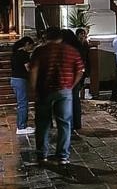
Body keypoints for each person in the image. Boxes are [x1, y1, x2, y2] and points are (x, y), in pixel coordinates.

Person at [30, 27, 84, 166]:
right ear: (61, 37)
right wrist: (71, 85)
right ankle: (63, 156)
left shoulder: (39, 50)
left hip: (44, 91)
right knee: (64, 124)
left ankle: (42, 155)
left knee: (43, 124)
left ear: (46, 36)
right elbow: (80, 70)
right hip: (65, 91)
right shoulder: (71, 51)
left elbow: (34, 70)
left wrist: (33, 89)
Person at [10, 35, 34, 135]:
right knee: (23, 104)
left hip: (14, 79)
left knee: (22, 102)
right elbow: (28, 68)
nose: (31, 49)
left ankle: (22, 125)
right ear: (27, 44)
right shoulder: (23, 54)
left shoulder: (15, 53)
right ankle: (21, 126)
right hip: (20, 80)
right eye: (31, 46)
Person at [76, 28, 92, 100]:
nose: (83, 35)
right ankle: (78, 95)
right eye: (81, 34)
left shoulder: (85, 43)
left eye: (83, 34)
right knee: (79, 80)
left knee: (84, 79)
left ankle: (83, 95)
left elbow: (87, 53)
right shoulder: (75, 43)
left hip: (85, 63)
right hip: (78, 64)